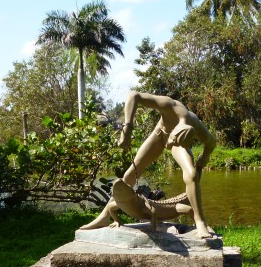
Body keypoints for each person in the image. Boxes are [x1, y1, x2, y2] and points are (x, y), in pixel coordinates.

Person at [80, 91, 217, 238]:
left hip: (178, 139)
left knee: (191, 174)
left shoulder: (196, 126)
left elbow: (211, 142)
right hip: (160, 134)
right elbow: (133, 96)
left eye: (173, 144)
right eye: (171, 142)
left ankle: (200, 221)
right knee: (130, 174)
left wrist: (204, 158)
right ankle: (105, 216)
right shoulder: (169, 105)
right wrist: (127, 129)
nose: (169, 147)